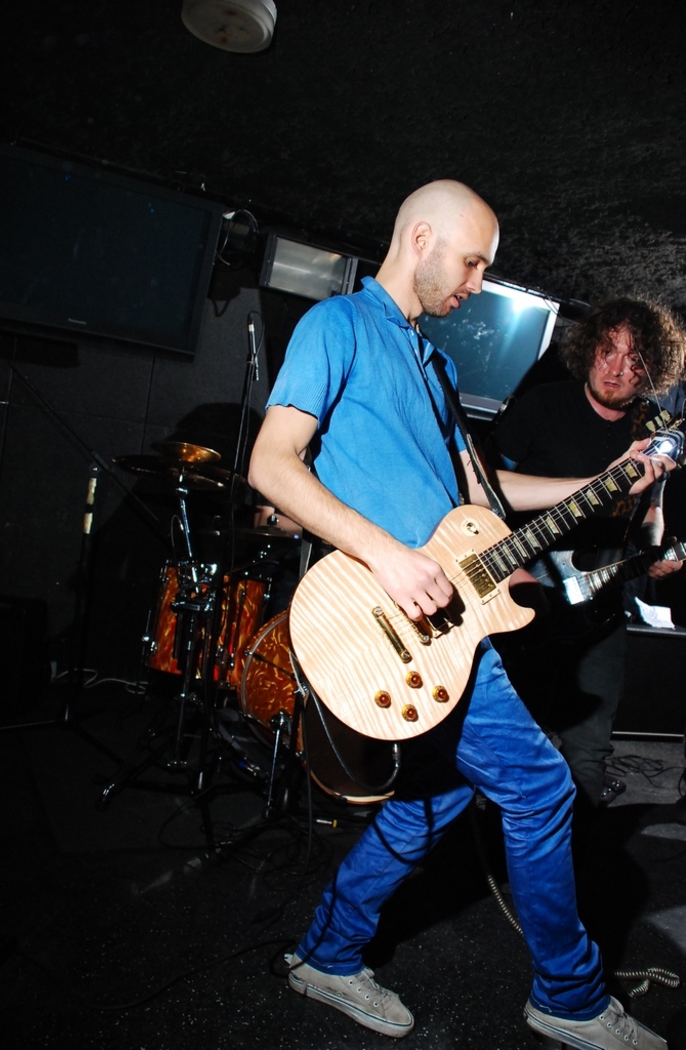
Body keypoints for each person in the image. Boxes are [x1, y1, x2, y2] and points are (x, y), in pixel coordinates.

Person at [248, 180, 675, 1048]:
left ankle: (326, 954)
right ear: (421, 239)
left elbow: (487, 497)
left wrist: (607, 483)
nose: (478, 283)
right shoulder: (339, 325)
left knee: (429, 805)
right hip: (386, 607)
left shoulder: (436, 367)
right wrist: (387, 555)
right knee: (541, 787)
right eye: (473, 262)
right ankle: (569, 999)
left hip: (448, 626)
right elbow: (273, 463)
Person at [490, 298, 685, 819]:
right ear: (589, 348)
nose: (616, 369)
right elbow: (482, 493)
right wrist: (510, 568)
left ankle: (577, 848)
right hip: (526, 593)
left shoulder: (652, 427)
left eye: (634, 360)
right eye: (607, 351)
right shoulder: (543, 404)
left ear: (653, 369)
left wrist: (655, 551)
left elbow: (651, 511)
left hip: (602, 607)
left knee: (589, 749)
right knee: (513, 736)